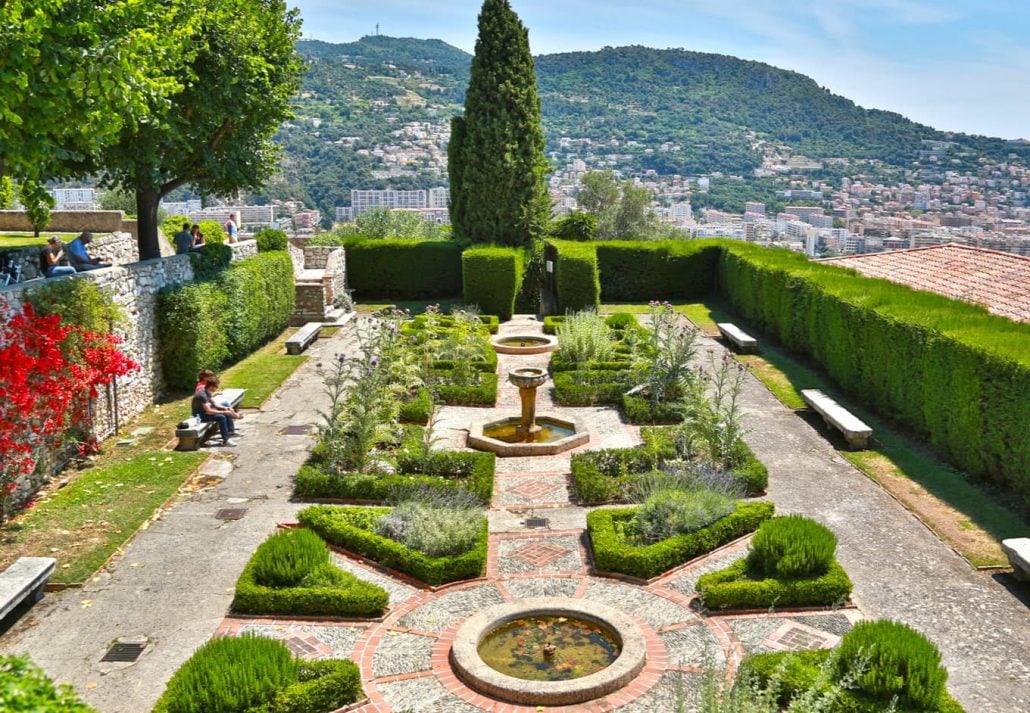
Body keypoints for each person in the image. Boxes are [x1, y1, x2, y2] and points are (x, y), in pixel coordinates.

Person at [192, 376, 242, 447]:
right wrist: (224, 412)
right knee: (221, 417)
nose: (217, 388)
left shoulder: (207, 391)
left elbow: (215, 404)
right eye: (216, 386)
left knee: (225, 411)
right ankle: (226, 440)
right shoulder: (202, 395)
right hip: (199, 416)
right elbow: (208, 411)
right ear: (211, 386)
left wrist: (226, 408)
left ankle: (231, 431)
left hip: (205, 412)